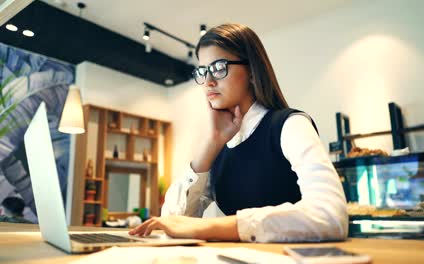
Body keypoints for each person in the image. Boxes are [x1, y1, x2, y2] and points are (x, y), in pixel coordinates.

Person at [129, 23, 348, 242]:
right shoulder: (220, 145)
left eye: (218, 67)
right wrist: (212, 143)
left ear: (252, 72)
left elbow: (331, 215)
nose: (208, 81)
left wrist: (211, 227)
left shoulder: (290, 125)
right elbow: (173, 221)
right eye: (203, 71)